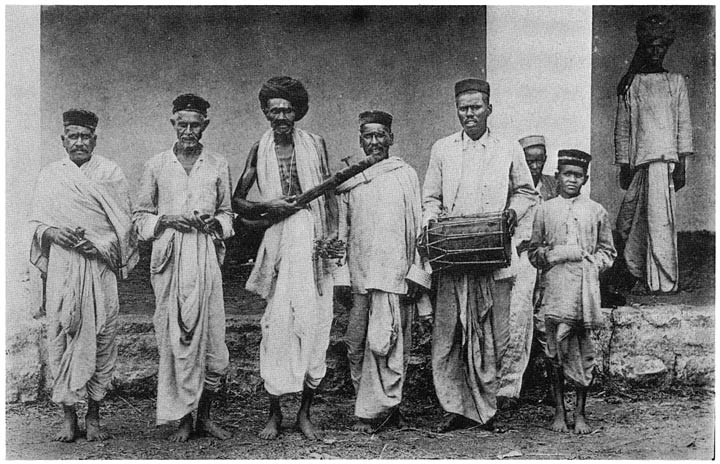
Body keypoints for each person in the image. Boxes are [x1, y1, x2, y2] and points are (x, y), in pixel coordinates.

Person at [422, 78, 538, 431]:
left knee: (492, 333)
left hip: (493, 255)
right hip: (453, 256)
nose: (469, 114)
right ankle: (454, 407)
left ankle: (486, 409)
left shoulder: (507, 148)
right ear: (456, 110)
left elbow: (525, 192)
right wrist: (433, 221)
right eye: (463, 108)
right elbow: (430, 199)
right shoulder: (442, 149)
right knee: (449, 335)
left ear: (489, 108)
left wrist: (511, 215)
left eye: (476, 107)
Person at [233, 76, 338, 440]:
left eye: (288, 109)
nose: (281, 116)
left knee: (314, 325)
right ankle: (275, 413)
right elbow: (238, 201)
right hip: (277, 241)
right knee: (275, 328)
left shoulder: (315, 144)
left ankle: (306, 413)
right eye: (275, 110)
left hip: (312, 243)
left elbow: (332, 195)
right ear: (265, 112)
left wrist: (330, 237)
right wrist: (269, 205)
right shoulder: (257, 149)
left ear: (297, 112)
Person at [30, 109, 138, 442]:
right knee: (63, 334)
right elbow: (35, 223)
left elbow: (125, 227)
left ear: (95, 139)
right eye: (72, 136)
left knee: (102, 336)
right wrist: (52, 233)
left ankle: (94, 416)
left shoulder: (111, 173)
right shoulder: (50, 174)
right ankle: (67, 416)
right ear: (63, 139)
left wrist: (101, 246)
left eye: (85, 136)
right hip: (63, 266)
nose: (79, 142)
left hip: (99, 267)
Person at [133, 94, 234, 442]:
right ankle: (182, 419)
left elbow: (228, 214)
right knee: (174, 337)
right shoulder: (157, 164)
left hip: (204, 253)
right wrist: (169, 219)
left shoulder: (218, 164)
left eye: (195, 125)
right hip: (171, 257)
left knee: (209, 336)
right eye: (182, 124)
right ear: (173, 124)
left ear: (205, 125)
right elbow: (141, 216)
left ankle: (203, 417)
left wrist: (214, 222)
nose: (189, 131)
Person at [335, 111, 431, 433]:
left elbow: (420, 227)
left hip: (394, 275)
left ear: (391, 137)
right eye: (368, 136)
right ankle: (375, 407)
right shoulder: (350, 180)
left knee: (388, 344)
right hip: (360, 273)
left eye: (380, 135)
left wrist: (418, 273)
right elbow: (341, 231)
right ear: (360, 140)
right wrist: (340, 279)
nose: (374, 142)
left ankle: (383, 411)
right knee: (356, 342)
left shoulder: (405, 174)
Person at [528, 149, 616, 434]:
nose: (571, 180)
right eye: (567, 174)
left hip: (582, 293)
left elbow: (608, 252)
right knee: (554, 354)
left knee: (581, 353)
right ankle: (558, 411)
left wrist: (592, 265)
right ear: (557, 176)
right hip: (554, 292)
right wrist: (554, 254)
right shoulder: (544, 210)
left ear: (585, 179)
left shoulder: (596, 211)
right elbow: (533, 253)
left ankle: (579, 413)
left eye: (577, 176)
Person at [615, 13, 693, 294]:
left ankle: (664, 279)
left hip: (665, 165)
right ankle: (637, 271)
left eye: (661, 46)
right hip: (640, 165)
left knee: (662, 221)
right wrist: (624, 163)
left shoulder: (676, 82)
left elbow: (683, 125)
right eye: (650, 46)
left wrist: (682, 163)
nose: (655, 51)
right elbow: (623, 127)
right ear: (642, 48)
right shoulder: (631, 85)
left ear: (667, 47)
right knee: (630, 221)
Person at [497, 135, 557, 404]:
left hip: (549, 262)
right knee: (517, 318)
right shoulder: (509, 190)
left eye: (539, 160)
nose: (535, 166)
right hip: (521, 262)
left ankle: (554, 386)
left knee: (548, 323)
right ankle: (508, 387)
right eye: (529, 160)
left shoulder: (552, 187)